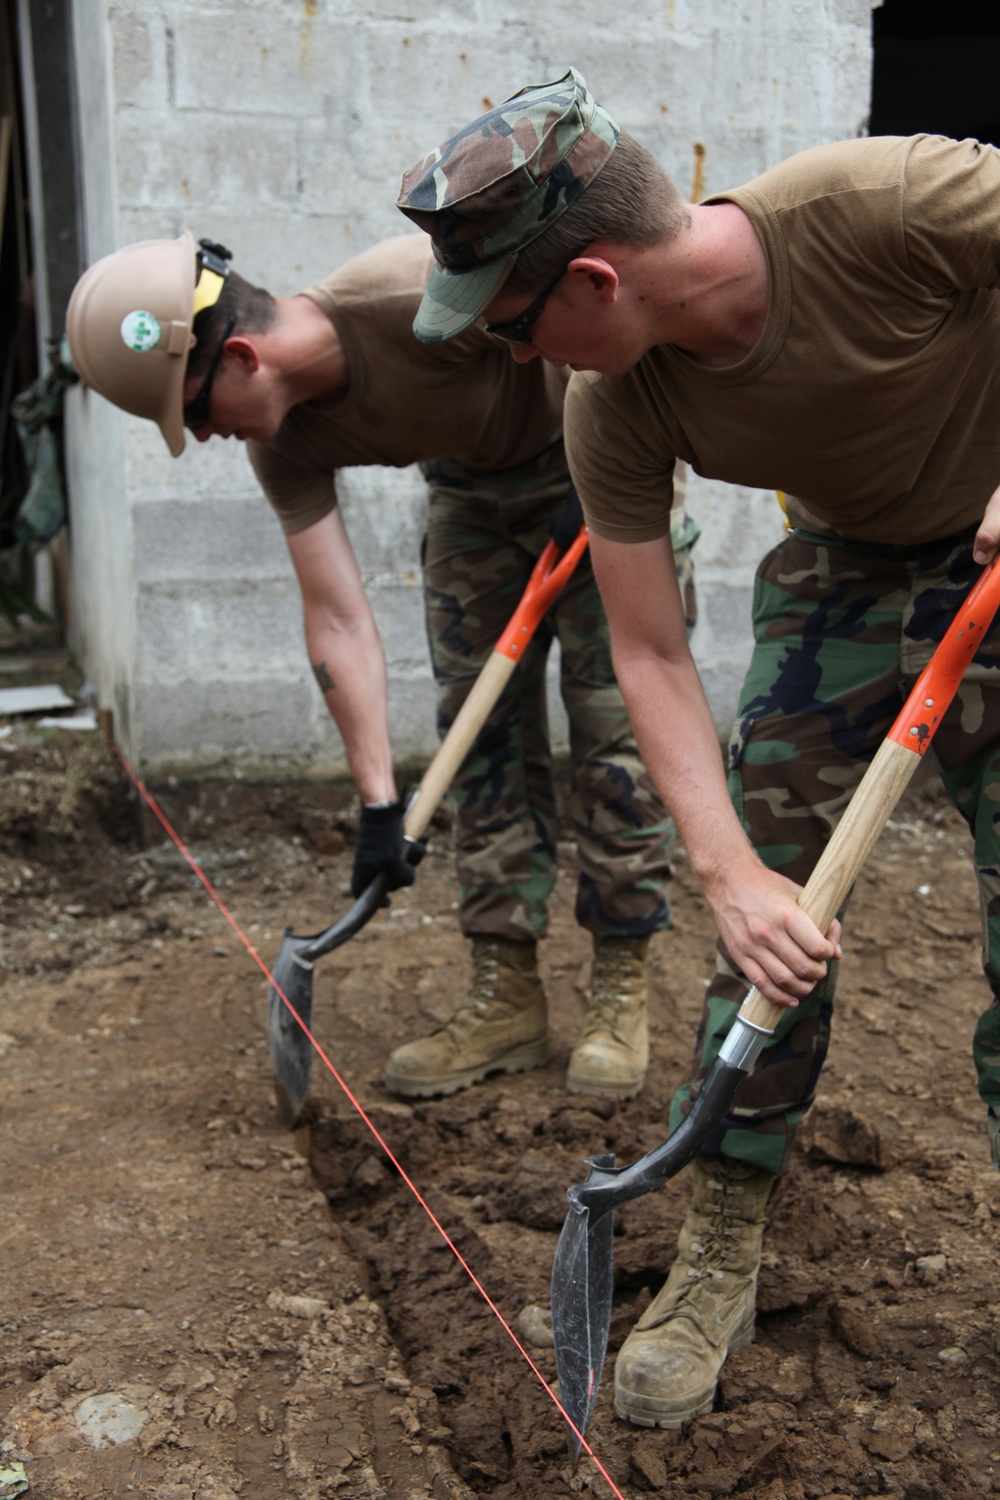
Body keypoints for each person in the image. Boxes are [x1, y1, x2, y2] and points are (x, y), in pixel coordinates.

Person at [397, 67, 1000, 1429]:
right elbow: (651, 654)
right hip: (842, 575)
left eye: (511, 322)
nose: (509, 358)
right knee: (761, 923)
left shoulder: (877, 203)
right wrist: (727, 876)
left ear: (597, 281)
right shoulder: (611, 406)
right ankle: (720, 1238)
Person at [65, 228, 698, 1102]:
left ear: (243, 356)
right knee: (480, 748)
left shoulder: (413, 294)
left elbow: (608, 320)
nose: (205, 436)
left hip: (598, 464)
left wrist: (604, 476)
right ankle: (504, 992)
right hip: (472, 498)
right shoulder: (282, 442)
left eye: (198, 411)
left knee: (614, 732)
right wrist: (377, 804)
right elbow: (334, 614)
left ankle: (620, 987)